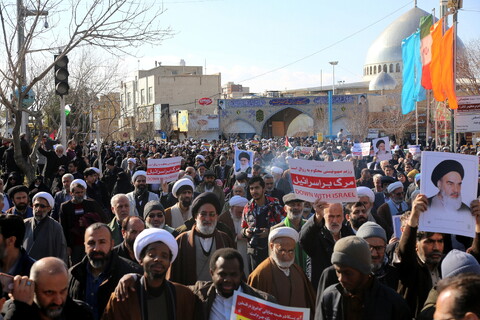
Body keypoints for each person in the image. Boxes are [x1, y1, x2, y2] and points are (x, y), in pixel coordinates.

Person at [102, 228, 197, 320]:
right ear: (141, 259)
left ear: (169, 262)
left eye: (164, 256)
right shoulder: (123, 297)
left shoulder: (184, 296)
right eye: (151, 255)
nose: (158, 259)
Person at [316, 236, 410, 320]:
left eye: (348, 273)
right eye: (338, 272)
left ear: (364, 270)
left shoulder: (392, 302)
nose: (341, 279)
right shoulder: (329, 297)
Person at [68, 223, 142, 320]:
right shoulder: (72, 274)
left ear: (112, 244)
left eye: (102, 242)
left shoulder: (130, 273)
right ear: (85, 246)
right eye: (91, 243)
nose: (96, 248)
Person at [247, 227, 316, 318]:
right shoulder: (261, 274)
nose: (286, 257)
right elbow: (251, 310)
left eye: (290, 251)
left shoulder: (298, 272)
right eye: (281, 251)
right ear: (271, 246)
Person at [168, 192, 234, 285]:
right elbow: (173, 278)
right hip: (190, 296)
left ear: (217, 216)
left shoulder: (225, 240)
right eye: (203, 214)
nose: (207, 218)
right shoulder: (181, 241)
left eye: (212, 214)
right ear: (195, 216)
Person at [191, 248, 275, 320]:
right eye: (222, 274)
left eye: (233, 274)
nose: (227, 279)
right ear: (212, 273)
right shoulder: (198, 294)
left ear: (241, 274)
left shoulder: (264, 302)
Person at [2, 257, 93, 320]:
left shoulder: (81, 313)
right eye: (49, 292)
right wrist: (20, 309)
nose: (58, 301)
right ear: (33, 288)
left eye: (63, 291)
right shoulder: (10, 310)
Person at [299, 200, 354, 289]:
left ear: (343, 217)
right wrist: (317, 217)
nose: (335, 220)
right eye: (331, 216)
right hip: (322, 289)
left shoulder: (349, 234)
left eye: (338, 216)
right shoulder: (316, 235)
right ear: (323, 216)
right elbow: (303, 239)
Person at [241, 176, 285, 271]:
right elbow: (242, 228)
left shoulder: (274, 204)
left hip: (272, 250)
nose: (254, 191)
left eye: (257, 188)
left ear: (263, 189)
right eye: (251, 188)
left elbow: (284, 224)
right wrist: (246, 232)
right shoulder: (247, 208)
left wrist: (270, 232)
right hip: (254, 252)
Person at [59, 179, 107, 265]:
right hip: (75, 244)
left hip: (91, 241)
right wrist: (67, 246)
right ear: (71, 193)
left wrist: (88, 221)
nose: (80, 195)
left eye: (82, 192)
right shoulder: (65, 207)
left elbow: (103, 219)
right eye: (77, 193)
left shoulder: (91, 204)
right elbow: (63, 227)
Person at [23, 192, 67, 262]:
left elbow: (61, 252)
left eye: (42, 206)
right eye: (36, 205)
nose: (38, 209)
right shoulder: (24, 223)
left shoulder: (56, 227)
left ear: (49, 208)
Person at [271, 193, 309, 272]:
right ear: (285, 208)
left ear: (303, 207)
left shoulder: (308, 226)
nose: (296, 207)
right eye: (292, 205)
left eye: (299, 205)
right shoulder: (277, 229)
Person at [218, 195, 250, 275]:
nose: (241, 214)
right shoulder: (223, 218)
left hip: (245, 248)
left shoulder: (248, 216)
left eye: (243, 212)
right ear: (232, 208)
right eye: (239, 212)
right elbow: (222, 234)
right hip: (231, 248)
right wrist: (237, 237)